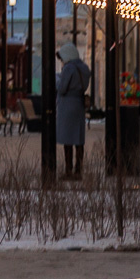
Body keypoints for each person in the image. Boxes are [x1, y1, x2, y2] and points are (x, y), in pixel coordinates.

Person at [54, 43, 91, 180]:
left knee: (67, 139)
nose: (62, 60)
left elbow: (62, 88)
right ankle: (78, 169)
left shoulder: (69, 68)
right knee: (78, 139)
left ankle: (68, 170)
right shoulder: (84, 68)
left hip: (67, 105)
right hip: (79, 104)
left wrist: (58, 79)